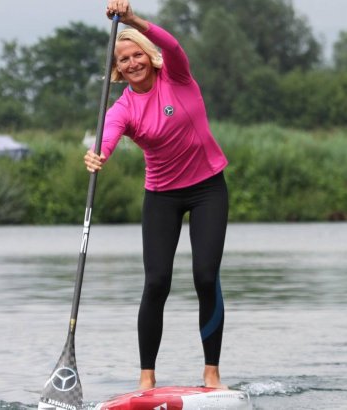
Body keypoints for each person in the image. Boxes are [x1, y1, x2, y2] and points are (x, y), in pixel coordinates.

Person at [84, 0, 230, 391]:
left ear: (149, 56)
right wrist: (99, 155)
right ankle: (146, 378)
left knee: (204, 276)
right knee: (156, 282)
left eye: (137, 55)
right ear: (117, 69)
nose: (132, 62)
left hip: (207, 189)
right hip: (162, 196)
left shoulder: (178, 78)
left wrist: (131, 20)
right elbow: (109, 135)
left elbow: (174, 45)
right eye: (124, 59)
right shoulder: (124, 108)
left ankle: (211, 373)